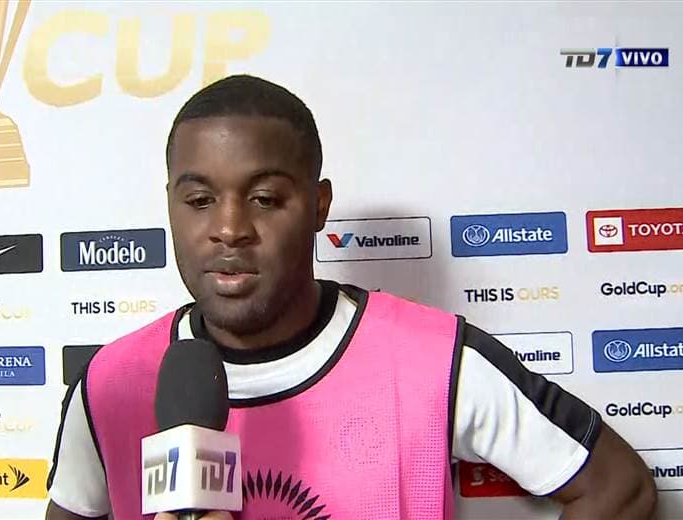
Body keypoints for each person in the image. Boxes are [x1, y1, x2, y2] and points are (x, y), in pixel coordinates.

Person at [45, 75, 657, 520]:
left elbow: (619, 490)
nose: (229, 229)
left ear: (319, 206)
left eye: (264, 198)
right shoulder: (110, 383)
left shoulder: (431, 360)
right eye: (200, 200)